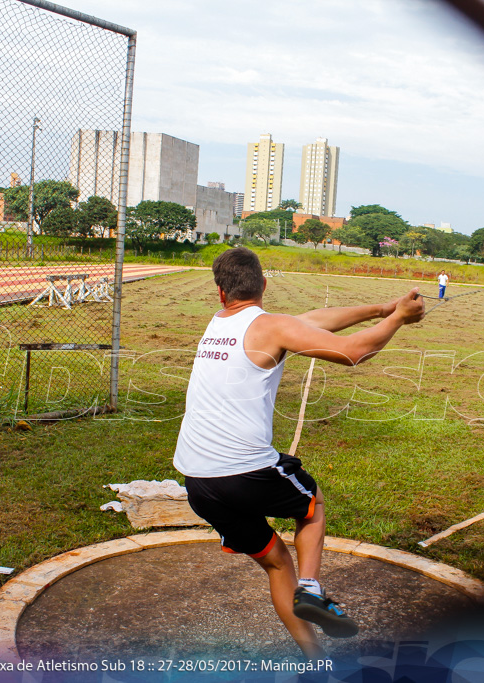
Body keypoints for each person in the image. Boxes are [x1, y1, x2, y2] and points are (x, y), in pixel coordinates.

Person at [173, 247, 425, 658]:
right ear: (264, 284)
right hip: (245, 472)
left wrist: (381, 307)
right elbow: (352, 352)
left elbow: (312, 321)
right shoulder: (270, 327)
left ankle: (314, 660)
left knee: (276, 563)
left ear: (221, 293)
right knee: (312, 504)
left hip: (198, 481)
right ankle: (310, 590)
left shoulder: (220, 323)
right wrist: (398, 318)